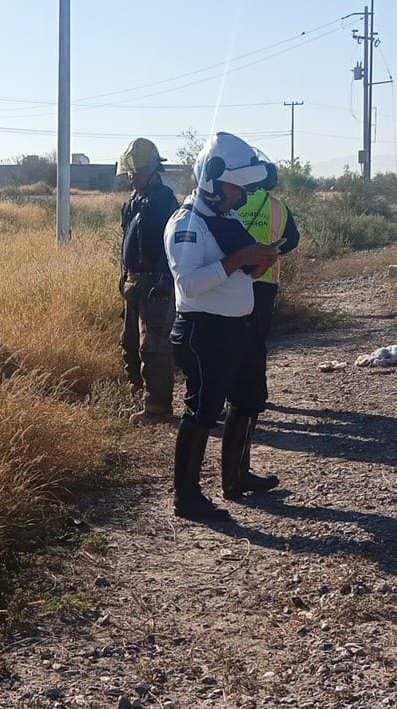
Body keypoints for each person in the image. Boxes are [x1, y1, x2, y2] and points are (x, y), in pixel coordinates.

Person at [165, 132, 281, 521]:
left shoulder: (225, 218)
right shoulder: (187, 223)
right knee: (201, 412)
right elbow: (189, 284)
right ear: (213, 181)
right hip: (204, 332)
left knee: (248, 400)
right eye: (235, 188)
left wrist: (259, 261)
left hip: (237, 328)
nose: (241, 196)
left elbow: (243, 272)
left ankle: (236, 478)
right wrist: (240, 259)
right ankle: (187, 497)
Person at [229, 154, 300, 496]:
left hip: (229, 283)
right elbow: (292, 240)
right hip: (264, 284)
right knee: (255, 350)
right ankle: (248, 398)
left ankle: (230, 396)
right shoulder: (277, 207)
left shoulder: (231, 200)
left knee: (229, 346)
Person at [116, 138, 180, 425]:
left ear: (151, 170)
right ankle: (139, 396)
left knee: (153, 346)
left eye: (136, 171)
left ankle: (157, 407)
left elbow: (172, 242)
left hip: (156, 282)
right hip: (133, 280)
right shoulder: (133, 200)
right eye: (130, 171)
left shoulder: (164, 200)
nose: (131, 176)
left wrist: (165, 279)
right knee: (129, 343)